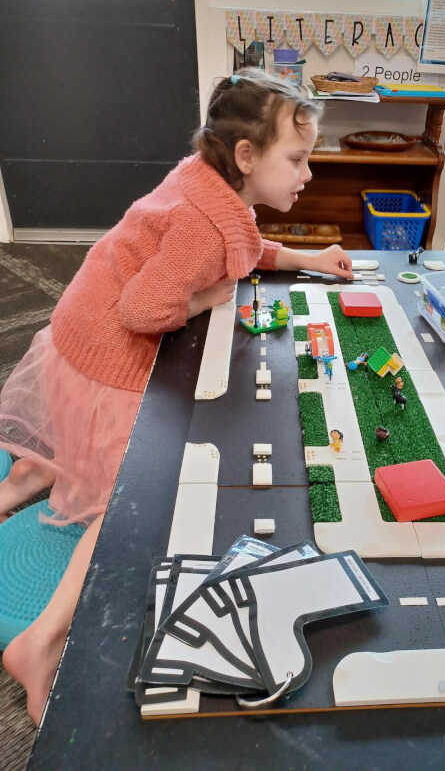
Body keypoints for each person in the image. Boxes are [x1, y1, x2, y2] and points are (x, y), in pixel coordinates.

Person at [0, 66, 353, 724]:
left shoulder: (207, 181)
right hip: (107, 359)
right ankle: (39, 643)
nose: (308, 174)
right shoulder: (200, 223)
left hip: (74, 337)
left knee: (102, 460)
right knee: (136, 500)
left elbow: (242, 241)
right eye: (298, 159)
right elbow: (142, 310)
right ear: (246, 157)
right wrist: (200, 298)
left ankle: (35, 470)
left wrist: (306, 258)